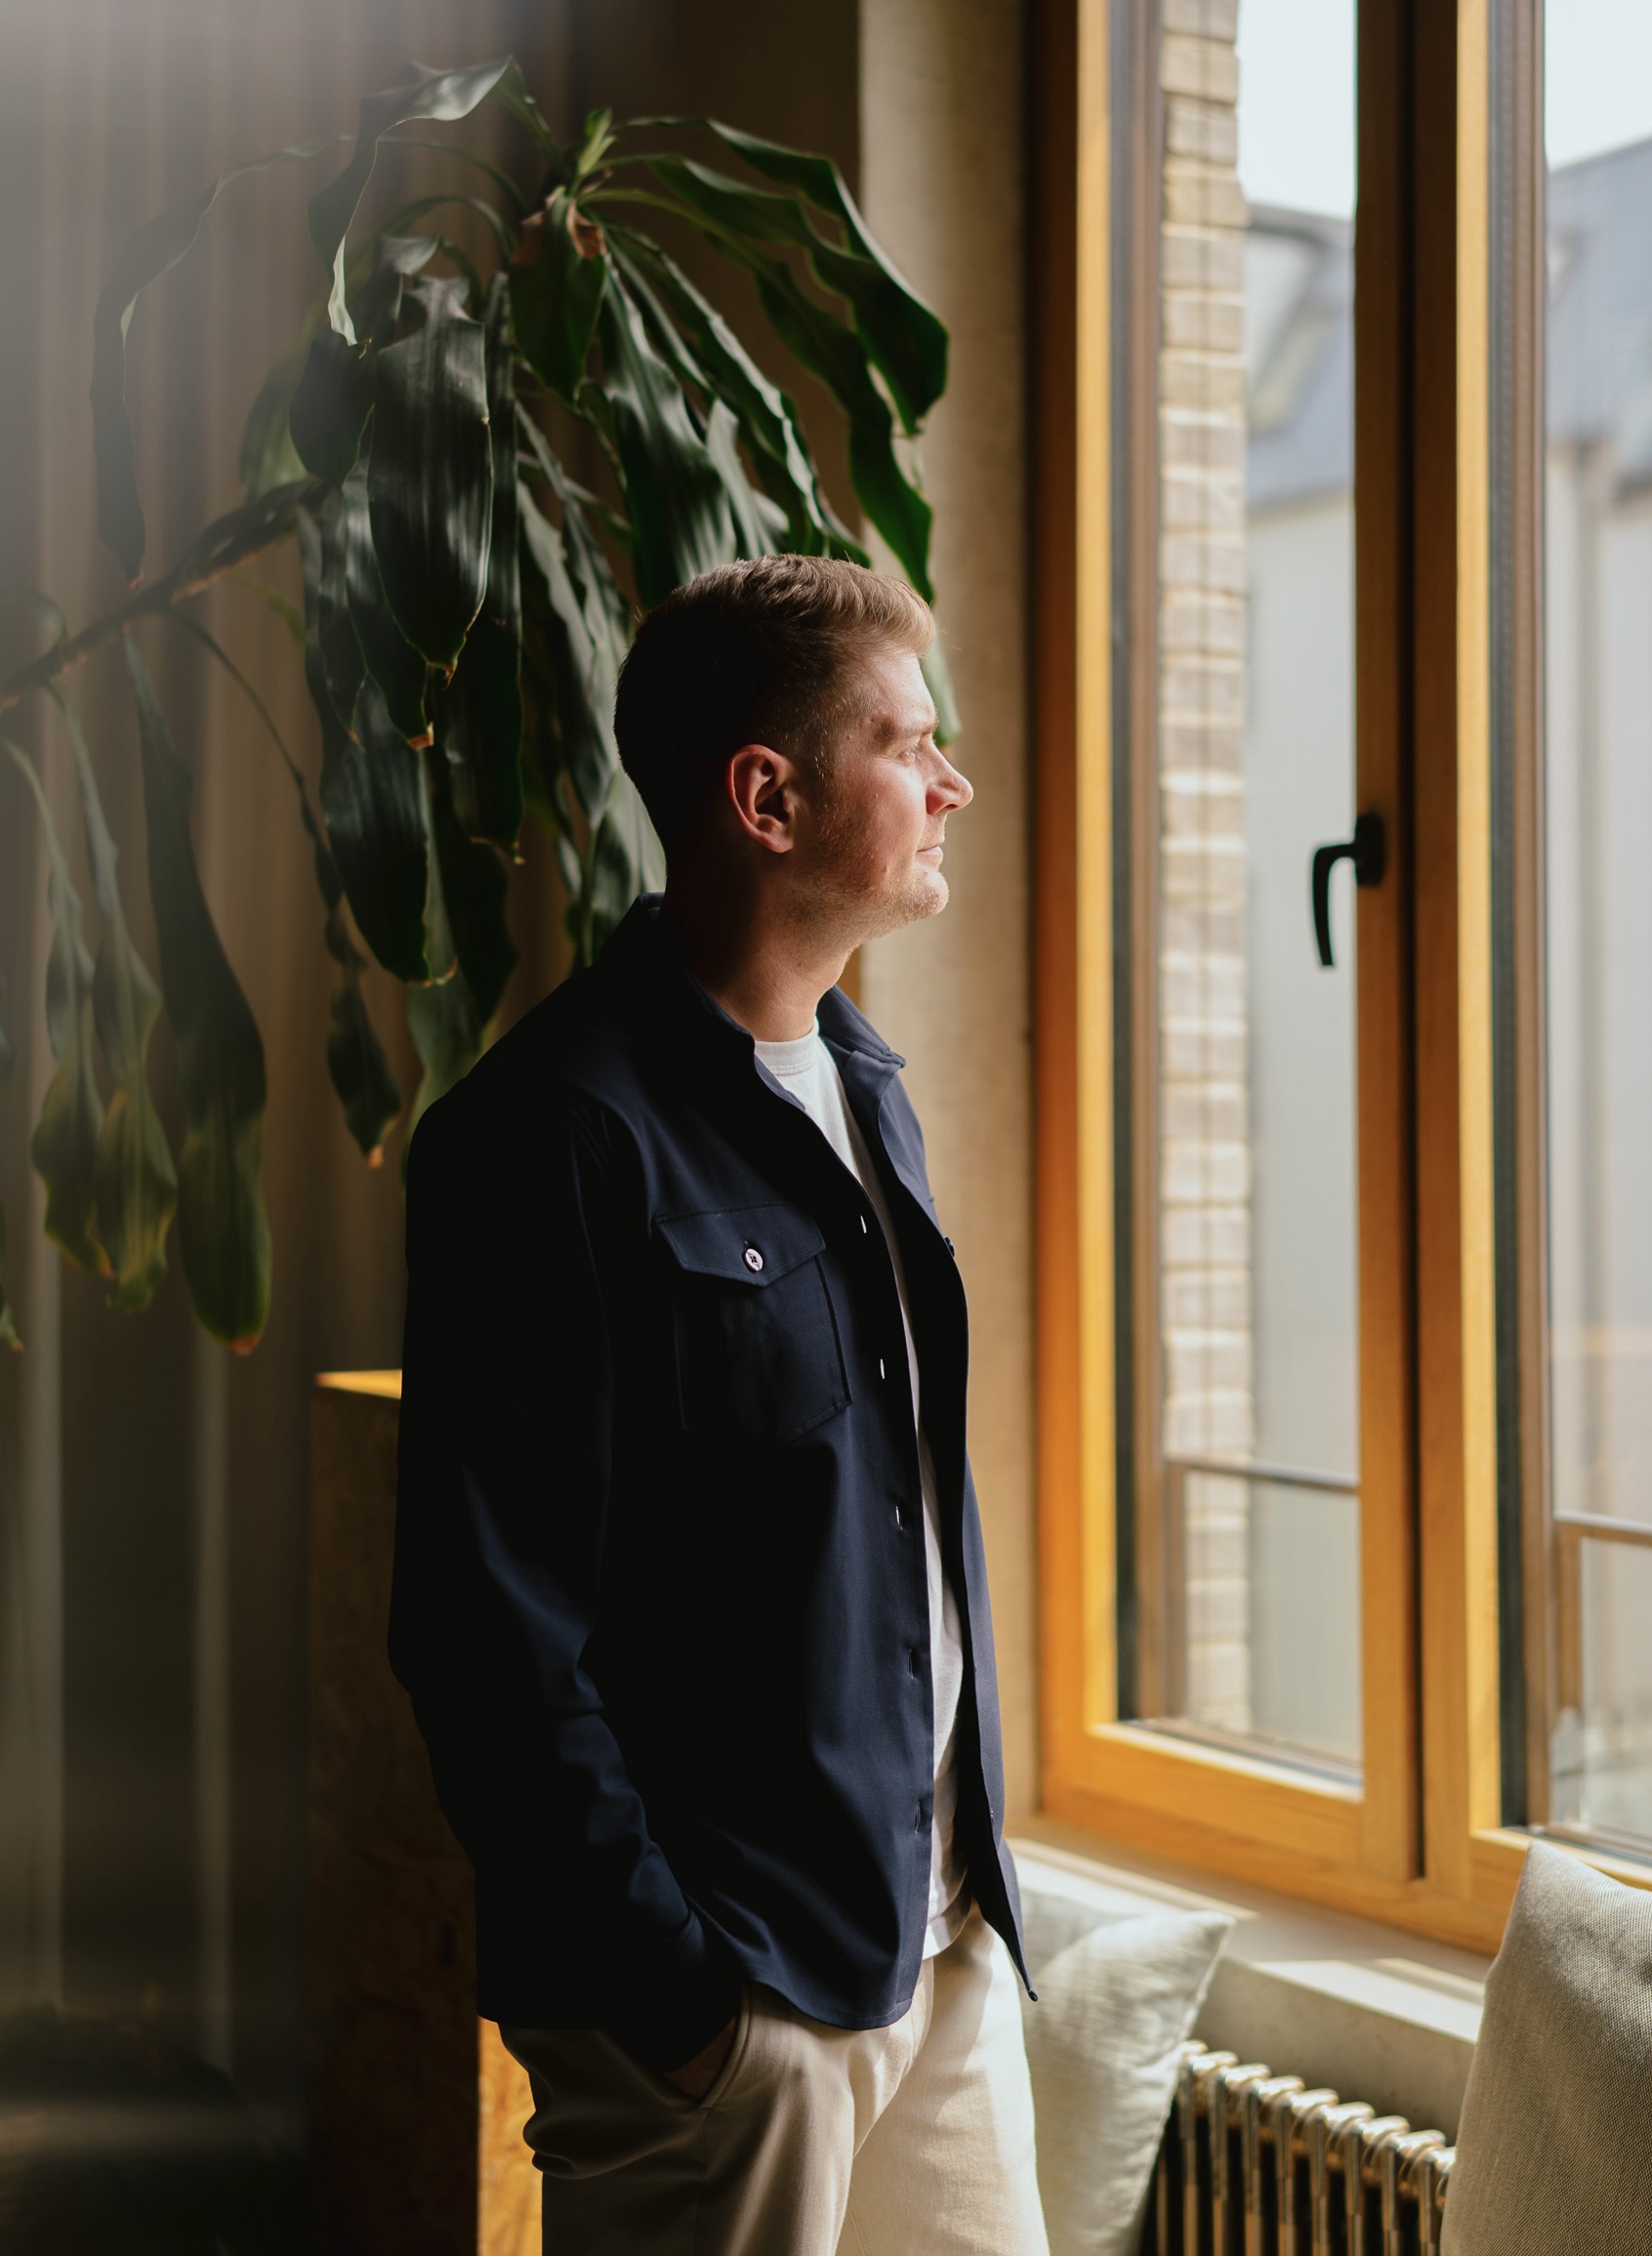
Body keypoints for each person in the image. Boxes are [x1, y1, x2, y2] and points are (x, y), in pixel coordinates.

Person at [391, 556, 1048, 2256]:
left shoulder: (870, 1095)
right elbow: (485, 1634)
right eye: (909, 741)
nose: (950, 781)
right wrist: (684, 2009)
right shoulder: (545, 1140)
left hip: (940, 1948)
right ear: (767, 797)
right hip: (734, 2012)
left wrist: (962, 1902)